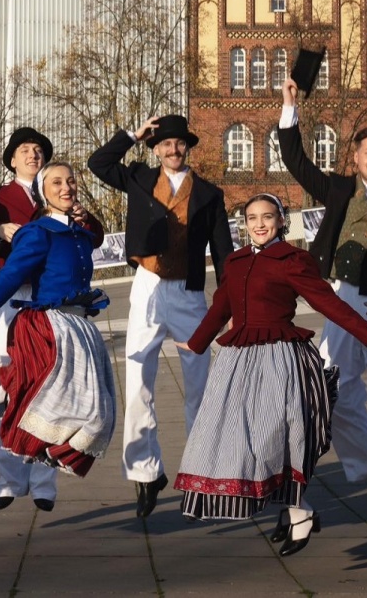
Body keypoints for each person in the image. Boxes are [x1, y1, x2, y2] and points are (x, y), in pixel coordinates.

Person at [174, 194, 367, 557]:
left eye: (268, 217)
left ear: (281, 221)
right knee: (236, 439)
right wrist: (197, 342)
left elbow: (327, 303)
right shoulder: (234, 263)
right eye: (252, 218)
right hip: (237, 362)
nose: (260, 224)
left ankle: (299, 512)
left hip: (280, 359)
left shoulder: (292, 260)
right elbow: (222, 306)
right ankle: (294, 510)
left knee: (274, 438)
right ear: (244, 224)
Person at [277, 78, 367, 516]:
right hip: (340, 298)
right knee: (333, 392)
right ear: (355, 158)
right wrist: (290, 108)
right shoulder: (339, 189)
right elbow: (295, 161)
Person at [88, 114, 233, 517]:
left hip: (189, 291)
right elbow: (98, 163)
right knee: (137, 381)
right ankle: (145, 472)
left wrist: (231, 305)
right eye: (165, 144)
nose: (172, 150)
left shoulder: (208, 193)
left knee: (201, 386)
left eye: (179, 144)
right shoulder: (137, 177)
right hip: (148, 286)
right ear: (155, 148)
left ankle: (202, 473)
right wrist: (132, 134)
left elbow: (223, 253)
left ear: (188, 147)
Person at [0, 161, 116, 480]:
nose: (67, 187)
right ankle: (14, 395)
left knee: (102, 413)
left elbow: (96, 236)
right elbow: (9, 277)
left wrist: (83, 219)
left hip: (80, 327)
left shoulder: (79, 233)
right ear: (43, 194)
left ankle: (13, 394)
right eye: (57, 183)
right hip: (50, 327)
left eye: (71, 181)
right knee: (87, 412)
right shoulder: (37, 233)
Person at [0, 127, 104, 512]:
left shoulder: (61, 191)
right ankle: (9, 479)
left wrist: (82, 215)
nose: (33, 155)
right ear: (12, 159)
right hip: (10, 295)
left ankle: (44, 479)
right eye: (25, 150)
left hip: (51, 300)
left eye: (38, 150)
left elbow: (91, 236)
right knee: (8, 383)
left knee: (54, 389)